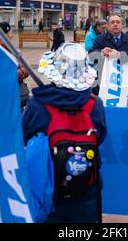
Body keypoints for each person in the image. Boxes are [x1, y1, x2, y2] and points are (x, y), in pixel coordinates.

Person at [22, 42, 107, 223]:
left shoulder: (37, 104)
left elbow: (25, 137)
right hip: (86, 187)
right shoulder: (95, 104)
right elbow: (100, 136)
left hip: (48, 187)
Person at [0, 23, 29, 110]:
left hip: (16, 97)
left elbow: (26, 67)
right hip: (0, 99)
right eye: (9, 34)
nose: (12, 36)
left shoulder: (13, 50)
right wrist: (16, 74)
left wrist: (21, 72)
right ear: (1, 36)